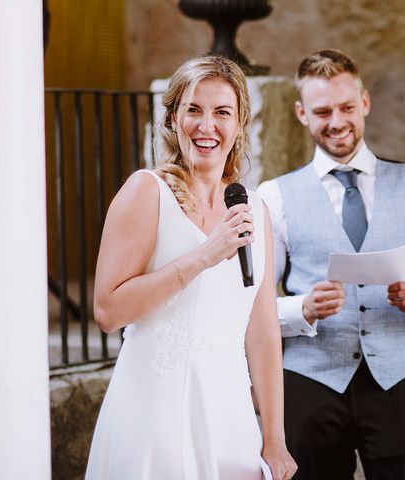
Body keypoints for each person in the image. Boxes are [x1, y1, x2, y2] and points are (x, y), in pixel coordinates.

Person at [85, 55, 296, 480]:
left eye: (222, 112)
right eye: (193, 110)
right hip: (154, 411)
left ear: (239, 124)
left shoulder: (254, 209)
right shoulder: (146, 192)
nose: (206, 126)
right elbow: (108, 311)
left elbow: (263, 332)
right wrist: (203, 256)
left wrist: (274, 438)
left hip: (228, 416)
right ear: (173, 119)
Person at [257, 49, 405, 479]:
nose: (337, 121)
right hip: (308, 383)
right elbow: (253, 305)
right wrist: (303, 308)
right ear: (301, 113)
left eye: (347, 107)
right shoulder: (274, 196)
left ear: (365, 103)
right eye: (322, 111)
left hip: (394, 381)